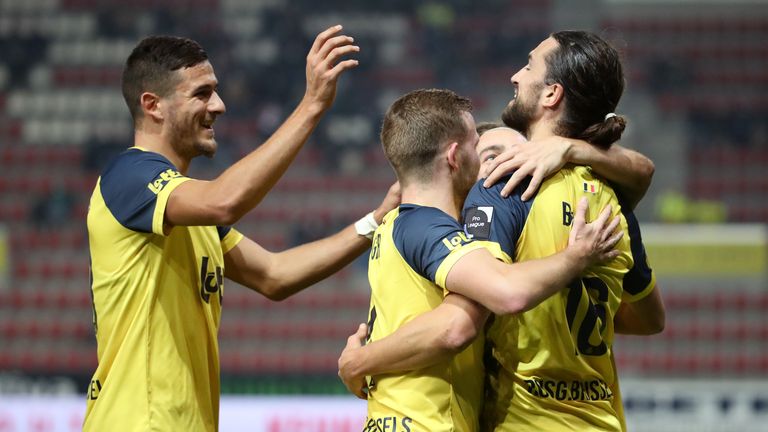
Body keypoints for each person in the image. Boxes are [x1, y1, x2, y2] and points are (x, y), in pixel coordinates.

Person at [339, 32, 665, 432]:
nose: (515, 76)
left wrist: (359, 361)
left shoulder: (503, 187)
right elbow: (650, 319)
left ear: (551, 95)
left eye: (528, 66)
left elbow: (463, 318)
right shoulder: (614, 200)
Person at [84, 26, 401, 432]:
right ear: (153, 105)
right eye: (201, 93)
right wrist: (311, 106)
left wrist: (377, 218)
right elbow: (225, 200)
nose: (218, 105)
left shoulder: (186, 212)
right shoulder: (129, 175)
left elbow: (275, 276)